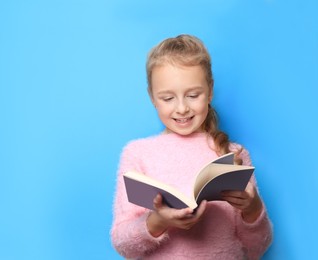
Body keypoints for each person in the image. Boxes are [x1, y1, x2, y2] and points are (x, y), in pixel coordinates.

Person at [110, 34, 273, 259]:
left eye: (193, 95)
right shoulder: (138, 154)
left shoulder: (234, 154)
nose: (182, 108)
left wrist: (252, 209)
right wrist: (158, 222)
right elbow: (123, 245)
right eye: (168, 98)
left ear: (210, 90)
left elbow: (256, 248)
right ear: (152, 97)